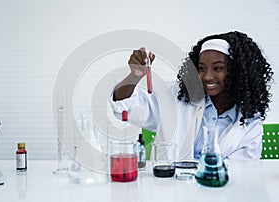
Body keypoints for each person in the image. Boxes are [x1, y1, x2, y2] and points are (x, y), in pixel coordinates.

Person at [110, 31, 273, 160]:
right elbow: (124, 107)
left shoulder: (250, 122)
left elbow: (242, 172)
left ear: (237, 71)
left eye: (218, 68)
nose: (208, 76)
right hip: (170, 190)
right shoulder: (175, 99)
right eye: (201, 68)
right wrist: (135, 75)